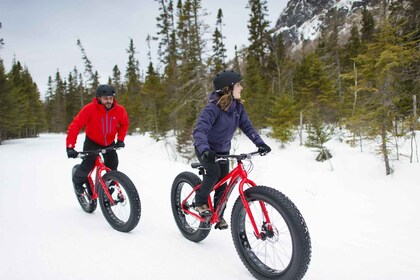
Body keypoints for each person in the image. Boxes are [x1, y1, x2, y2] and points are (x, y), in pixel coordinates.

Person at [193, 70, 271, 230]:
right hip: (207, 150)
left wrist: (260, 143)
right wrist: (205, 150)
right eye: (238, 85)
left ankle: (217, 214)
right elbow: (199, 131)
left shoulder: (237, 108)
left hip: (223, 151)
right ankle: (200, 202)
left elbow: (247, 126)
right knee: (214, 174)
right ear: (228, 89)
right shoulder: (212, 109)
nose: (241, 88)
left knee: (223, 182)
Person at [66, 84, 129, 195]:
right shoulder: (89, 109)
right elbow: (75, 125)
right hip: (92, 142)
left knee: (113, 165)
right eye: (105, 98)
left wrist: (120, 140)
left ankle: (108, 185)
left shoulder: (120, 110)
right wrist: (70, 147)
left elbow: (124, 124)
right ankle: (77, 182)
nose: (108, 101)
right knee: (88, 164)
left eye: (111, 98)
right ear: (99, 98)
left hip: (109, 143)